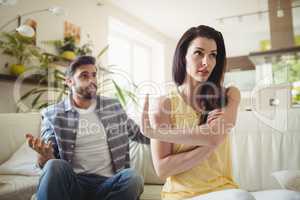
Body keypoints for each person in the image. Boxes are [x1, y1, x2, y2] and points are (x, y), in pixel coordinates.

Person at [141, 25, 300, 200]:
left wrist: (161, 133)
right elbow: (163, 169)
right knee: (240, 198)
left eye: (213, 55)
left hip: (225, 189)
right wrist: (209, 140)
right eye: (199, 53)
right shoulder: (164, 104)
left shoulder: (229, 95)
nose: (206, 62)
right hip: (182, 195)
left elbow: (214, 137)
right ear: (183, 56)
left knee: (290, 197)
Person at [26, 55, 149, 200]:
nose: (92, 80)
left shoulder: (112, 107)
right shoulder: (52, 114)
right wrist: (44, 156)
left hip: (108, 184)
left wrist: (166, 134)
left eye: (94, 75)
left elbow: (140, 134)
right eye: (84, 76)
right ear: (69, 81)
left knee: (133, 178)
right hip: (74, 184)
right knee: (54, 165)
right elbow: (49, 160)